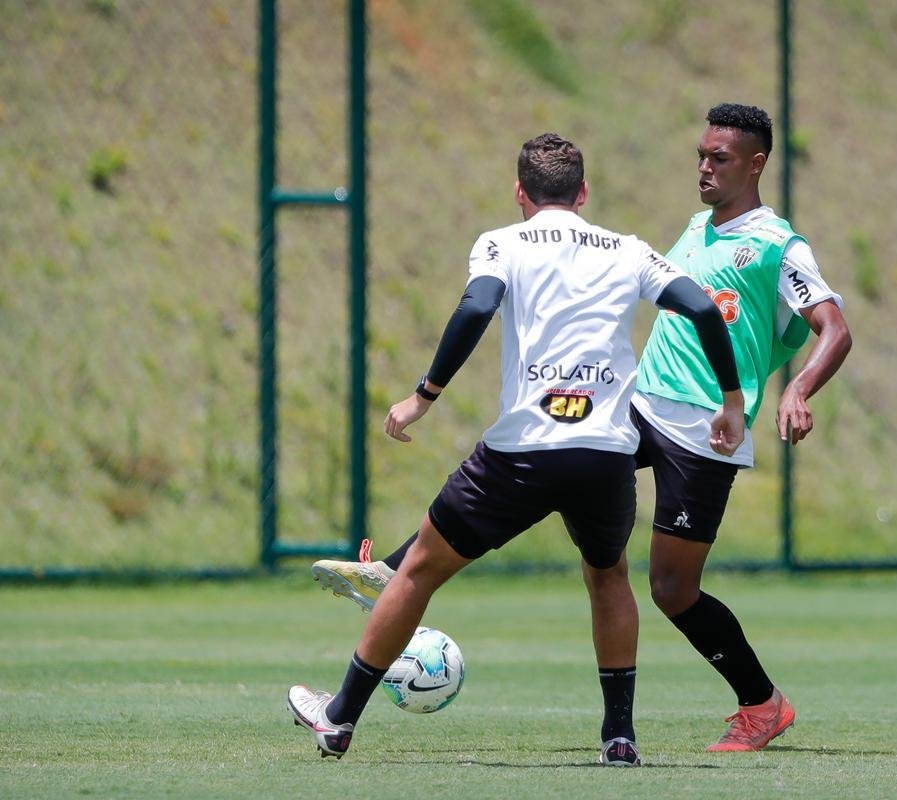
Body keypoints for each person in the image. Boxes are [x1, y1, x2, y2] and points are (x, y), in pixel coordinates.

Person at [313, 103, 852, 753]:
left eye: (721, 159)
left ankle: (762, 705)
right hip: (637, 407)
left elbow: (834, 328)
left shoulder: (777, 243)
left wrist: (794, 387)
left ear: (757, 163)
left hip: (705, 431)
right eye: (701, 156)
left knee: (672, 589)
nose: (705, 168)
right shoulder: (693, 229)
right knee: (557, 462)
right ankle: (397, 571)